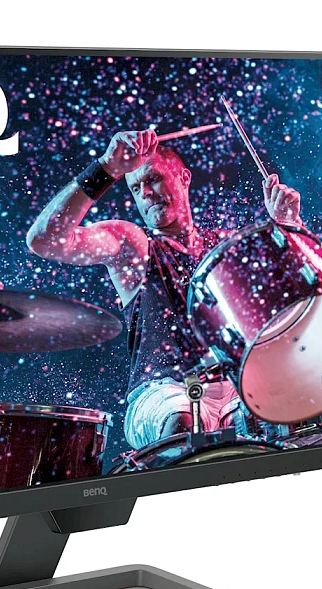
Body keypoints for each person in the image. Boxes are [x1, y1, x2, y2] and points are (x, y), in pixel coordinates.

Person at [26, 127, 303, 450]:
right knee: (181, 418)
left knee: (281, 411)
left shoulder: (225, 247)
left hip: (234, 387)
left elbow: (291, 304)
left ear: (183, 178)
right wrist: (106, 168)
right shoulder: (133, 245)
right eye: (135, 187)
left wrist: (288, 229)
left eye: (153, 179)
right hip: (160, 392)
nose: (145, 193)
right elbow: (43, 240)